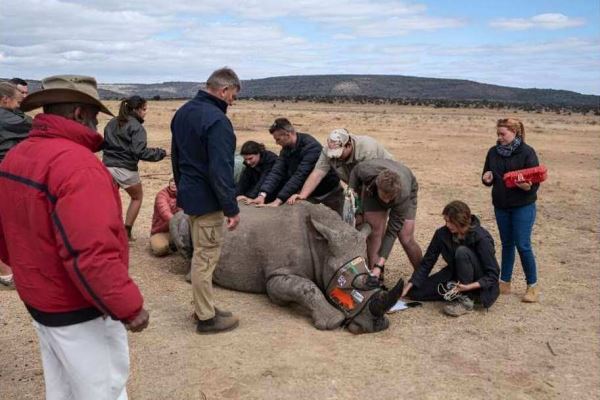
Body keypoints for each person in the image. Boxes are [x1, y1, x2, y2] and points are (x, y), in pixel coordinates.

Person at [0, 75, 149, 400]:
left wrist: (27, 271)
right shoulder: (78, 167)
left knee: (63, 388)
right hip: (76, 306)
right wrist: (129, 306)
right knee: (103, 390)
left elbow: (6, 229)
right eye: (94, 116)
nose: (97, 125)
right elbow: (92, 253)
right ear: (80, 114)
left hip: (40, 299)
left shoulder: (18, 154)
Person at [171, 67, 241, 334]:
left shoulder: (183, 112)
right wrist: (231, 207)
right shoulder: (217, 121)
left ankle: (205, 307)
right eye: (233, 95)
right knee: (205, 258)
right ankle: (206, 319)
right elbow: (220, 169)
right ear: (223, 90)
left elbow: (176, 158)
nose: (232, 101)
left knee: (202, 255)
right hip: (208, 201)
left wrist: (182, 189)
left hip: (191, 196)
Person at [401, 201, 500, 317]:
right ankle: (453, 290)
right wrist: (412, 283)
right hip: (454, 274)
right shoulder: (441, 234)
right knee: (415, 292)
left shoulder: (482, 238)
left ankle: (466, 300)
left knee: (462, 252)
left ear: (460, 220)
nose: (447, 225)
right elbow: (428, 262)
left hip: (478, 281)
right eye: (446, 221)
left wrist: (467, 287)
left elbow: (493, 274)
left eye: (450, 221)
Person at [482, 118, 541, 302]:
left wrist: (528, 187)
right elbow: (486, 175)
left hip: (523, 206)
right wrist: (487, 178)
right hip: (501, 205)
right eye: (498, 134)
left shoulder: (527, 152)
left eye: (503, 134)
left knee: (522, 245)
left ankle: (532, 286)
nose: (499, 138)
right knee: (507, 244)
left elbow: (535, 181)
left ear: (515, 133)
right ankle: (504, 282)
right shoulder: (493, 152)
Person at [348, 158, 422, 282]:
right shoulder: (366, 170)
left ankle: (421, 276)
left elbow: (392, 232)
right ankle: (375, 278)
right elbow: (355, 172)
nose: (387, 202)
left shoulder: (402, 195)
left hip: (405, 188)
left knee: (405, 237)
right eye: (385, 197)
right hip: (372, 192)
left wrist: (380, 263)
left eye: (390, 198)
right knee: (374, 232)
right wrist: (354, 198)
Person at [103, 95, 167, 240]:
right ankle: (126, 231)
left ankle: (106, 231)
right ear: (137, 110)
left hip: (106, 167)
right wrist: (161, 153)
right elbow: (140, 152)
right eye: (144, 109)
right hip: (126, 169)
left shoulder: (111, 123)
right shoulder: (137, 128)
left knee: (109, 201)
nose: (146, 112)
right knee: (137, 197)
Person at [249, 117, 343, 214]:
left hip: (328, 194)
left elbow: (300, 175)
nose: (277, 143)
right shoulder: (286, 149)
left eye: (278, 139)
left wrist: (279, 200)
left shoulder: (311, 147)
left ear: (287, 134)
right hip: (306, 194)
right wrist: (262, 195)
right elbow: (276, 172)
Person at [288, 128, 393, 204]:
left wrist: (359, 205)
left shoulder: (366, 149)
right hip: (358, 186)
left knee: (374, 221)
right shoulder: (327, 150)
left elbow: (368, 182)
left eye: (339, 153)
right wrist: (303, 195)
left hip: (385, 184)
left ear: (348, 145)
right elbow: (318, 173)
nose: (336, 158)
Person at [0, 81, 33, 289]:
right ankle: (6, 272)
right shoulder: (9, 118)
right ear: (5, 99)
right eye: (16, 98)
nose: (19, 102)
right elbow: (32, 126)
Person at [150, 178, 182, 256]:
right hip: (161, 231)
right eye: (172, 181)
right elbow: (165, 213)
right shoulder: (161, 195)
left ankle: (175, 245)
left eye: (176, 181)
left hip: (179, 230)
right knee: (160, 249)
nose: (174, 183)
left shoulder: (184, 194)